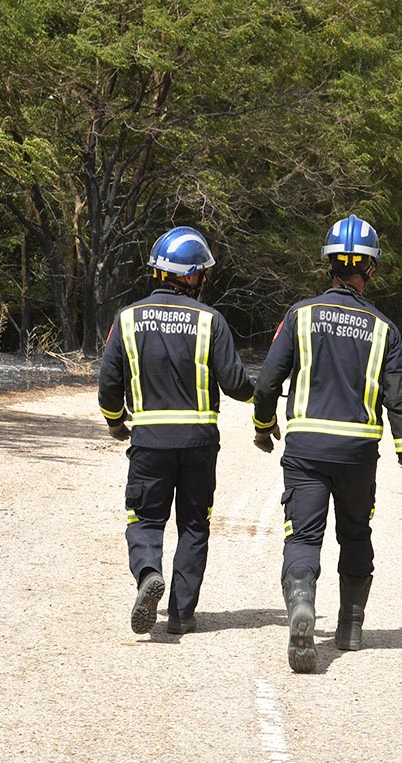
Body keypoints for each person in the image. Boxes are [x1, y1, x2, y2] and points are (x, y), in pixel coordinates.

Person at [253, 214, 402, 673]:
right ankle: (350, 627)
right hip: (357, 455)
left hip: (306, 449)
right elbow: (398, 401)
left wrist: (261, 424)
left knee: (303, 536)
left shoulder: (300, 314)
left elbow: (269, 378)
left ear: (328, 262)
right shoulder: (385, 329)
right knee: (355, 533)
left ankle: (302, 604)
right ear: (370, 269)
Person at [98, 226, 255, 636]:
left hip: (149, 440)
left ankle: (149, 572)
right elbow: (236, 383)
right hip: (199, 442)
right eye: (202, 272)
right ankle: (182, 614)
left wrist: (116, 421)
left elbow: (109, 382)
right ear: (190, 275)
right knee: (194, 524)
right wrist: (263, 399)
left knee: (145, 518)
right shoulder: (211, 321)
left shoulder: (128, 318)